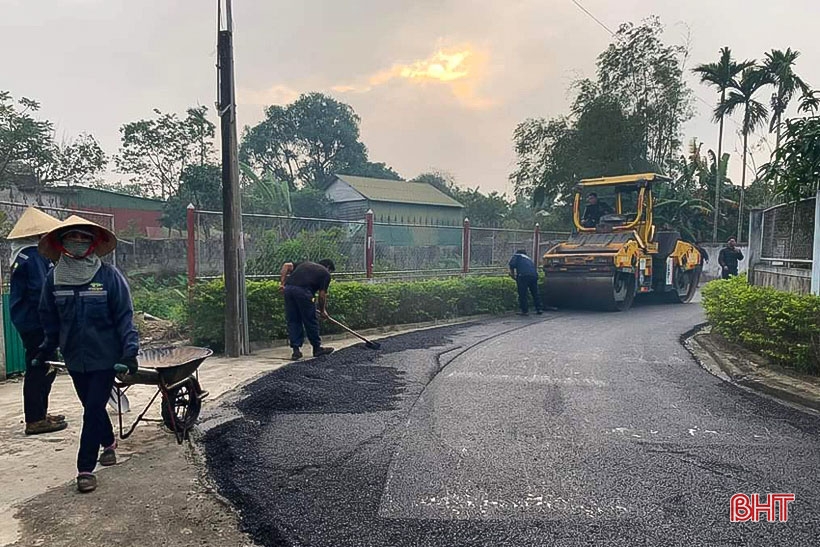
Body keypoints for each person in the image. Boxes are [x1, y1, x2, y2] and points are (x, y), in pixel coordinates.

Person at [36, 215, 139, 494]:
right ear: (62, 243)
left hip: (106, 356)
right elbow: (49, 316)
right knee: (90, 407)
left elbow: (124, 318)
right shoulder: (54, 278)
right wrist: (47, 346)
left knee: (93, 408)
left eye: (84, 239)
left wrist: (130, 353)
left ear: (94, 244)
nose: (79, 243)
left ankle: (85, 468)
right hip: (74, 357)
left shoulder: (108, 276)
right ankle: (109, 443)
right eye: (73, 238)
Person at [6, 207, 66, 435]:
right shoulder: (33, 257)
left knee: (43, 366)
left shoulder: (22, 255)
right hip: (37, 322)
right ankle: (35, 418)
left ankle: (40, 413)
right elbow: (42, 292)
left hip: (28, 320)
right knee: (40, 367)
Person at [282, 259, 336, 360]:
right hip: (304, 292)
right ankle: (317, 348)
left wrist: (282, 283)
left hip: (288, 290)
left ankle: (296, 350)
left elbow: (286, 266)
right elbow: (322, 295)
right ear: (328, 267)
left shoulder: (305, 264)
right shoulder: (325, 274)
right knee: (310, 320)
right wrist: (323, 310)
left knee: (293, 320)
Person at [509, 249, 544, 316]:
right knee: (535, 292)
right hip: (534, 276)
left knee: (523, 293)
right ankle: (539, 309)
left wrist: (512, 275)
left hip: (523, 276)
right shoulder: (528, 258)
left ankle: (524, 311)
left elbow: (512, 265)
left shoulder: (517, 256)